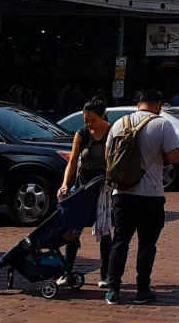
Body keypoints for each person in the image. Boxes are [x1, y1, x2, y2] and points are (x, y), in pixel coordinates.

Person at [105, 89, 179, 305]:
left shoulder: (118, 124)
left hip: (122, 193)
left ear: (139, 104)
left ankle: (113, 289)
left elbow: (108, 157)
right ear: (158, 105)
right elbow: (175, 157)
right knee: (147, 245)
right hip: (150, 194)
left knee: (120, 241)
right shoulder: (162, 124)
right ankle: (142, 290)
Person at [58, 96, 113, 288]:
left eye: (93, 120)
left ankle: (106, 274)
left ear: (102, 116)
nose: (89, 124)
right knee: (73, 227)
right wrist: (65, 184)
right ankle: (67, 271)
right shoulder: (81, 134)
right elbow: (73, 161)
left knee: (105, 230)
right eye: (86, 120)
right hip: (84, 183)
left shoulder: (112, 132)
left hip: (104, 186)